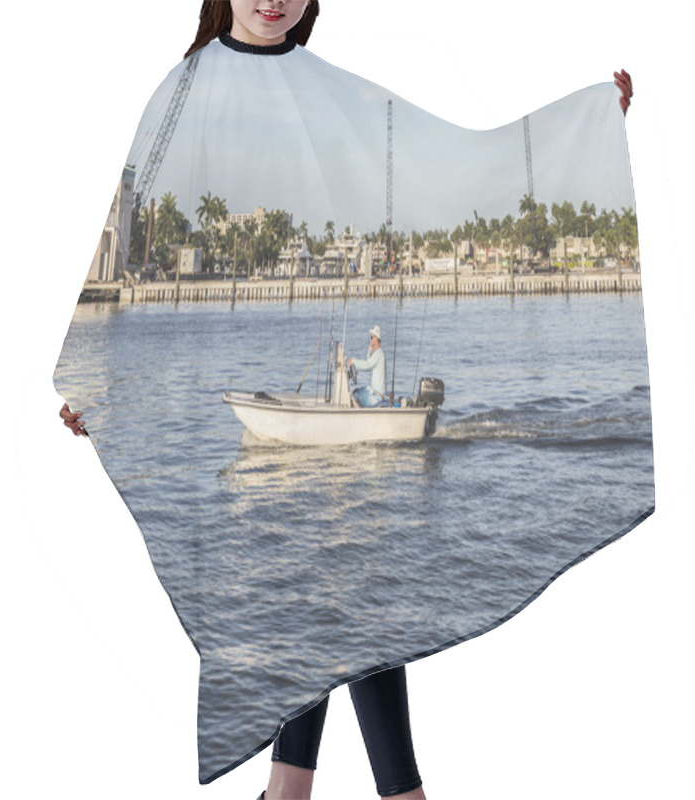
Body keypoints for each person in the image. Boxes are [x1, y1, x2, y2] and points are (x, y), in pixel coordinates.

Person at [59, 3, 635, 797]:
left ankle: (305, 791)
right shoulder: (179, 87)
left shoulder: (331, 89)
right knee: (334, 600)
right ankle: (368, 792)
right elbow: (90, 222)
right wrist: (87, 387)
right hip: (280, 480)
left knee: (342, 595)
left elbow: (451, 154)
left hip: (319, 472)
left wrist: (591, 119)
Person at [348, 325, 387, 409]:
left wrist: (353, 361)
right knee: (357, 392)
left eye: (371, 337)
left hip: (376, 395)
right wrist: (369, 351)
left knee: (355, 395)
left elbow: (367, 365)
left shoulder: (379, 355)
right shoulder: (378, 354)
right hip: (375, 392)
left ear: (376, 339)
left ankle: (359, 418)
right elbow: (370, 362)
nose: (370, 339)